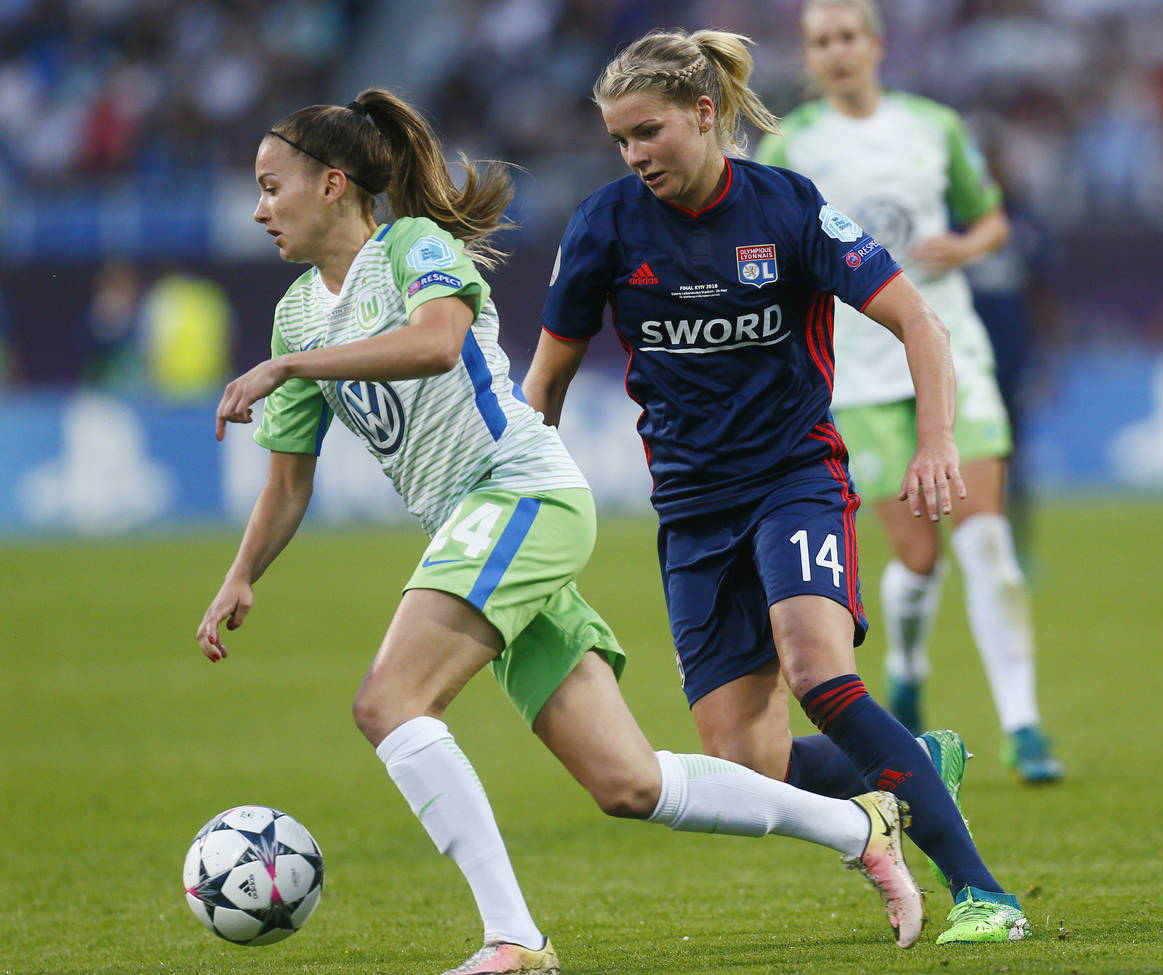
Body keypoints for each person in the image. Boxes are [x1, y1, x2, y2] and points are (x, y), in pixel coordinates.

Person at [196, 87, 929, 975]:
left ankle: (513, 938)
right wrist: (242, 575)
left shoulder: (412, 251)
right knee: (629, 783)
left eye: (272, 186)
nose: (260, 208)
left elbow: (436, 342)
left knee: (388, 703)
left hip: (519, 495)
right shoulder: (299, 312)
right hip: (472, 528)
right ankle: (860, 825)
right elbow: (286, 481)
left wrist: (287, 366)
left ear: (333, 184)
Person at [525, 29, 1030, 945]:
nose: (636, 156)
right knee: (740, 756)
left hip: (794, 475)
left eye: (650, 132)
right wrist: (522, 502)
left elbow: (917, 318)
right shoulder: (603, 225)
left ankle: (982, 893)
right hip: (689, 509)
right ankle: (914, 764)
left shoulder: (788, 207)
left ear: (705, 114)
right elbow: (545, 386)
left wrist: (935, 438)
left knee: (817, 670)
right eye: (620, 141)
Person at [754, 0, 1063, 782]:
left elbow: (992, 219)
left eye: (849, 36)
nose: (838, 51)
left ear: (876, 45)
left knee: (987, 543)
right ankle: (911, 672)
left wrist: (963, 244)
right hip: (857, 379)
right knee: (919, 557)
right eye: (822, 41)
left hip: (949, 357)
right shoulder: (791, 145)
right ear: (810, 56)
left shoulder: (934, 126)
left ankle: (1024, 725)